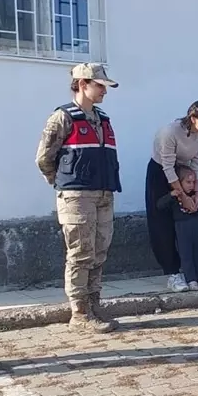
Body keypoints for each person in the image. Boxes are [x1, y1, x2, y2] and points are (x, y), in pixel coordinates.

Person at [35, 62, 121, 331]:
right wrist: (63, 183)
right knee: (80, 253)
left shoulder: (103, 118)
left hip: (104, 193)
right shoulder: (62, 117)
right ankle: (80, 312)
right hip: (77, 195)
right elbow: (44, 158)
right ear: (82, 84)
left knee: (99, 251)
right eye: (99, 85)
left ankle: (95, 304)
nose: (104, 91)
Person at [147, 100, 198, 292]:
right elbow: (167, 166)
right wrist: (182, 196)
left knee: (188, 220)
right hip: (161, 173)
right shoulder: (170, 132)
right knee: (162, 223)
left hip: (185, 173)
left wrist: (195, 192)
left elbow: (197, 162)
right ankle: (172, 273)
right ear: (193, 119)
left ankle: (195, 273)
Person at [158, 165, 198, 290]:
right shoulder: (176, 197)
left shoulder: (194, 195)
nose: (191, 185)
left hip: (195, 226)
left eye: (193, 182)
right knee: (186, 254)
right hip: (182, 228)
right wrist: (171, 195)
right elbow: (160, 205)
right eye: (188, 182)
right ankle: (191, 279)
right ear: (179, 182)